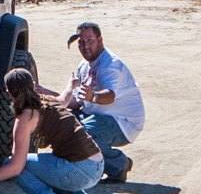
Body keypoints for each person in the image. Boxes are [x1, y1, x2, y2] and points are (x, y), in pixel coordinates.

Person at [0, 67, 105, 194]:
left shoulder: (24, 118)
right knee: (44, 164)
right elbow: (64, 100)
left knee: (13, 163)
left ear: (9, 93)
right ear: (33, 86)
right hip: (97, 166)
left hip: (79, 171)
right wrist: (70, 85)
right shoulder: (47, 100)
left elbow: (15, 168)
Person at [50, 21, 145, 184]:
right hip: (98, 116)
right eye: (81, 42)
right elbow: (77, 103)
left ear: (100, 40)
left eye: (90, 41)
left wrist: (92, 96)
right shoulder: (84, 65)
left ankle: (118, 164)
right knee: (61, 122)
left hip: (123, 122)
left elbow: (110, 96)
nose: (85, 46)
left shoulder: (110, 65)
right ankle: (83, 165)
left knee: (84, 132)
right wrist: (46, 94)